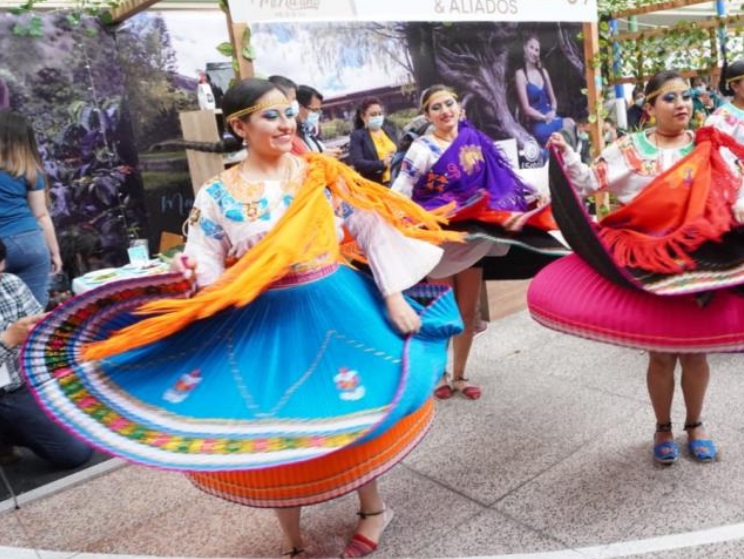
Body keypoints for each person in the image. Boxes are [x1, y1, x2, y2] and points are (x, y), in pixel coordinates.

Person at [21, 79, 464, 559]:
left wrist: (394, 296)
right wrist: (188, 288)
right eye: (270, 115)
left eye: (288, 113)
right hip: (263, 319)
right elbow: (203, 261)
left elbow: (369, 226)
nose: (285, 124)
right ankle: (293, 539)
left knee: (358, 408)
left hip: (334, 304)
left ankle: (374, 509)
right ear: (239, 126)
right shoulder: (218, 194)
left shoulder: (318, 172)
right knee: (271, 425)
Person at [536, 70, 744, 465]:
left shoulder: (708, 145)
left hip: (699, 257)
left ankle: (695, 424)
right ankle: (662, 426)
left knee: (695, 354)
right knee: (659, 355)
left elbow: (743, 184)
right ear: (649, 108)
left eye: (687, 96)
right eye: (670, 98)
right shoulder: (630, 149)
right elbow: (589, 182)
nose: (681, 105)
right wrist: (566, 154)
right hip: (648, 259)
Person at [392, 85, 560, 401]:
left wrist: (527, 196)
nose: (445, 111)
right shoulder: (422, 149)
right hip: (440, 241)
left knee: (468, 313)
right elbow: (402, 189)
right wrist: (395, 216)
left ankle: (460, 374)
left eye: (450, 104)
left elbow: (502, 181)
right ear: (427, 115)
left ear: (460, 108)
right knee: (442, 313)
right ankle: (439, 374)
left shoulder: (477, 141)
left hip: (473, 239)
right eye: (436, 107)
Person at [0, 238, 92, 470]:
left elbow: (41, 340)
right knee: (73, 452)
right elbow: (13, 339)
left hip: (21, 384)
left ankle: (14, 430)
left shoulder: (10, 283)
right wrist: (8, 339)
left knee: (83, 440)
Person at [0, 111, 61, 307]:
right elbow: (41, 215)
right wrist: (55, 253)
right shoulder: (31, 171)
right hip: (31, 242)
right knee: (33, 316)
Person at [514, 33, 574, 147]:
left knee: (570, 123)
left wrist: (553, 111)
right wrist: (544, 118)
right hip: (538, 123)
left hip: (551, 117)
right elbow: (526, 108)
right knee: (555, 135)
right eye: (531, 48)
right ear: (525, 48)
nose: (534, 52)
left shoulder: (543, 72)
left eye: (537, 50)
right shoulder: (520, 74)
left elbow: (553, 100)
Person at [347, 97, 400, 185]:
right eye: (373, 115)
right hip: (377, 184)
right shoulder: (358, 136)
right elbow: (358, 163)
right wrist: (382, 164)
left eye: (380, 114)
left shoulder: (390, 131)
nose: (378, 117)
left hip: (397, 180)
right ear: (363, 116)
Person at [294, 85, 329, 155]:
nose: (316, 114)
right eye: (314, 110)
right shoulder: (291, 135)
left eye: (318, 111)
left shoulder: (306, 130)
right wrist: (323, 157)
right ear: (298, 106)